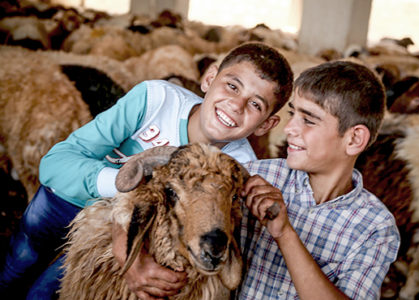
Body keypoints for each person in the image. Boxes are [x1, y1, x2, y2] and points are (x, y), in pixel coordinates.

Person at [0, 42, 294, 299]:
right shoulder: (155, 100)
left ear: (267, 125)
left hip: (124, 232)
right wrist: (125, 185)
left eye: (255, 104)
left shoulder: (235, 166)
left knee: (44, 293)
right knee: (17, 267)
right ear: (209, 78)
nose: (236, 105)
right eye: (232, 85)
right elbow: (55, 163)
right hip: (66, 201)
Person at [132, 60, 400, 300]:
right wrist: (133, 263)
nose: (290, 128)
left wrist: (284, 233)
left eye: (308, 120)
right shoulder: (251, 175)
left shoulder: (375, 227)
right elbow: (146, 202)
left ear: (354, 139)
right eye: (292, 113)